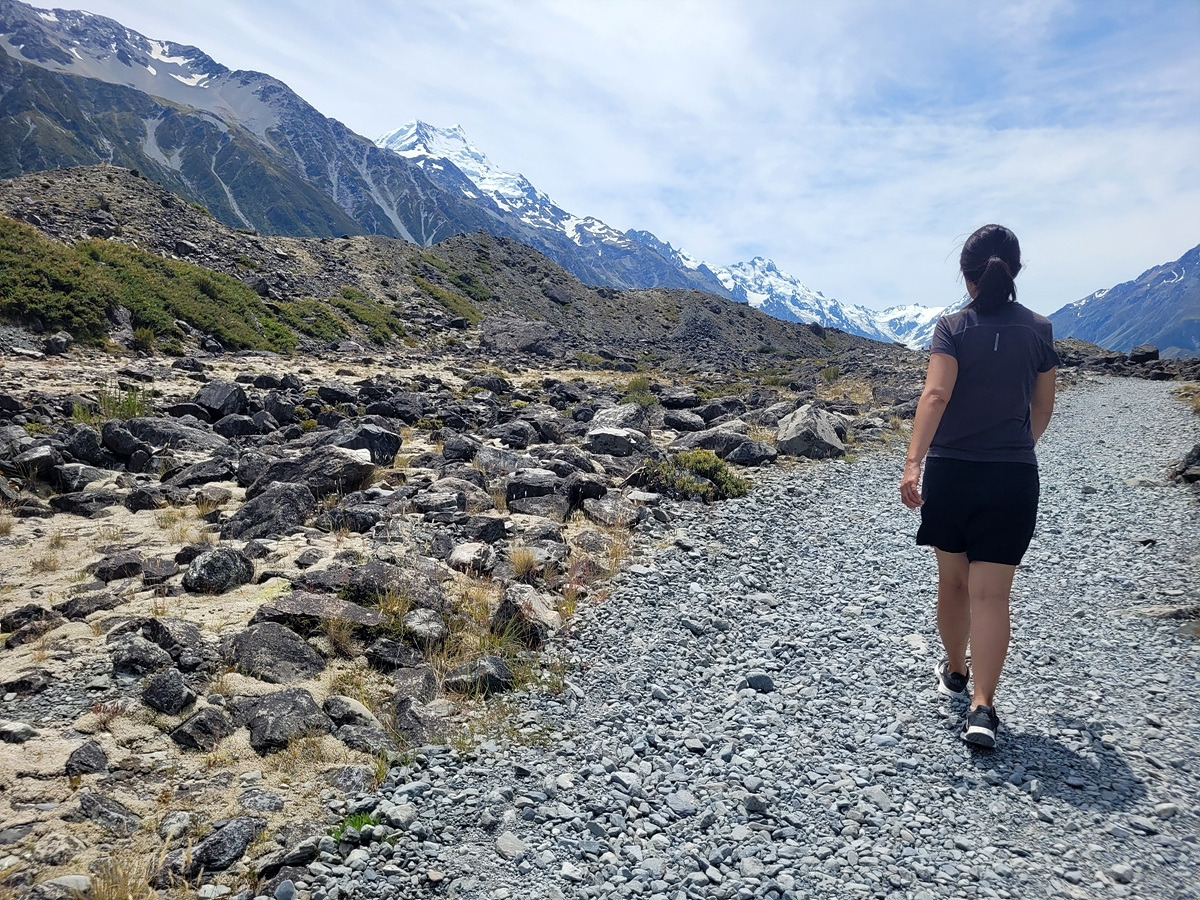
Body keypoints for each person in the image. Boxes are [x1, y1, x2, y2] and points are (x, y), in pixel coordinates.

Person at [899, 224, 1059, 748]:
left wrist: (913, 463)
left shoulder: (952, 328)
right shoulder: (1039, 329)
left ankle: (955, 670)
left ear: (967, 276)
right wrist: (1016, 448)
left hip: (952, 473)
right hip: (1013, 478)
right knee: (993, 595)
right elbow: (1042, 408)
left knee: (954, 584)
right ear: (1016, 271)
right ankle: (983, 708)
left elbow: (935, 395)